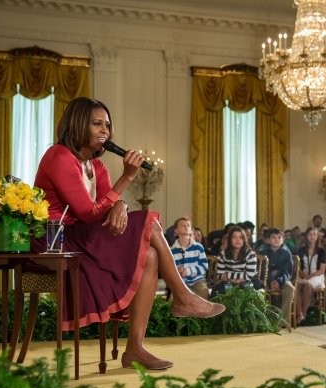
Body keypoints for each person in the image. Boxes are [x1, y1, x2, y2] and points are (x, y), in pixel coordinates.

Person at [30, 97, 224, 370]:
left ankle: (135, 349)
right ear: (78, 124)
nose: (105, 131)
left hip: (84, 235)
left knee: (151, 256)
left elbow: (108, 205)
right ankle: (182, 296)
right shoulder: (59, 156)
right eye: (97, 124)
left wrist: (121, 204)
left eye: (107, 125)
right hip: (57, 239)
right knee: (149, 223)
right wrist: (127, 178)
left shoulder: (97, 167)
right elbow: (87, 212)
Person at [259, 228, 296, 328]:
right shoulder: (262, 252)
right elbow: (262, 271)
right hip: (266, 280)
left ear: (283, 240)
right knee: (259, 290)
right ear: (268, 240)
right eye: (273, 237)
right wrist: (271, 281)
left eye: (279, 237)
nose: (276, 239)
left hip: (282, 280)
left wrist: (279, 282)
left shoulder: (286, 253)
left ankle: (281, 321)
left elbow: (287, 272)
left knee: (290, 288)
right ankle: (262, 320)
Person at [213, 225, 263, 297]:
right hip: (230, 282)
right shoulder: (223, 254)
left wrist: (228, 276)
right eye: (234, 237)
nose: (237, 239)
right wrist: (233, 280)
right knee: (217, 291)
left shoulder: (250, 254)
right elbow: (220, 275)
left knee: (240, 291)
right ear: (230, 239)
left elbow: (248, 276)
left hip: (248, 282)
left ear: (244, 240)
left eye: (240, 237)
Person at [170, 217, 209, 300]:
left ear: (191, 230)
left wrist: (188, 271)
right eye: (182, 225)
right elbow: (169, 268)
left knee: (203, 293)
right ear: (176, 231)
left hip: (197, 280)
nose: (186, 227)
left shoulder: (198, 247)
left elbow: (204, 266)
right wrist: (177, 270)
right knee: (172, 301)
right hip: (180, 282)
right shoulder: (172, 250)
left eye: (188, 225)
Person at [295, 228, 326, 324]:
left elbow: (322, 270)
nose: (312, 236)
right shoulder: (301, 250)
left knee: (307, 286)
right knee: (296, 287)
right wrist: (302, 273)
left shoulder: (322, 251)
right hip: (304, 275)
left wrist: (310, 276)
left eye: (314, 234)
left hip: (316, 275)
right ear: (306, 236)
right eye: (310, 234)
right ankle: (299, 314)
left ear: (317, 236)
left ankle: (304, 314)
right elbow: (297, 266)